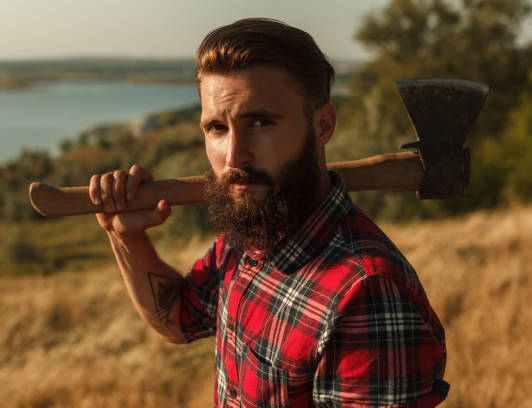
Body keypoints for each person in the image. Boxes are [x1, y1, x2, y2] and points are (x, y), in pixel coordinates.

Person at [89, 18, 449, 408]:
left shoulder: (366, 294)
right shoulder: (250, 232)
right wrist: (124, 235)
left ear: (323, 125)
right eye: (216, 128)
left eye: (259, 122)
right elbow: (178, 320)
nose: (234, 156)